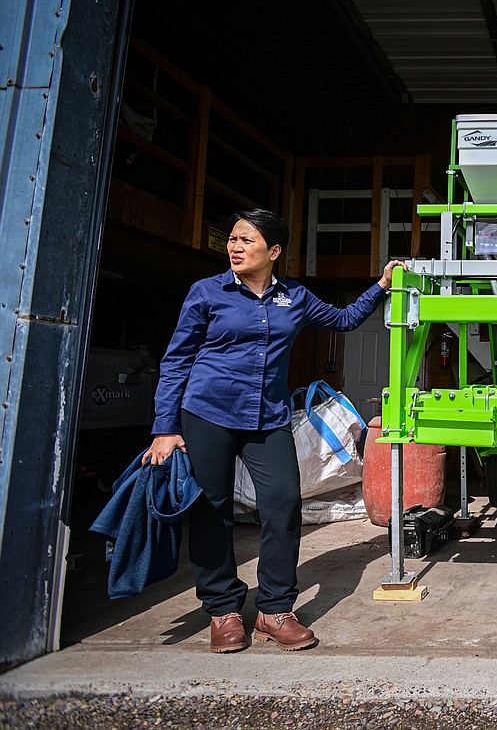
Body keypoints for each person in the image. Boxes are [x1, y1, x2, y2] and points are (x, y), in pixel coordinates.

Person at [143, 208, 407, 653]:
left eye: (246, 240)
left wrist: (380, 287)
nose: (235, 247)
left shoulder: (295, 297)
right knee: (212, 509)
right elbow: (176, 360)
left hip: (267, 417)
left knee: (283, 503)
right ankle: (224, 610)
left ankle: (274, 609)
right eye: (232, 239)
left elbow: (342, 320)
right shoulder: (207, 292)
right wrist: (165, 426)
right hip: (207, 414)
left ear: (274, 251)